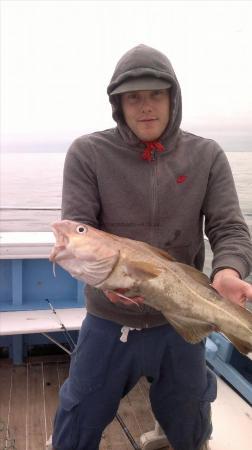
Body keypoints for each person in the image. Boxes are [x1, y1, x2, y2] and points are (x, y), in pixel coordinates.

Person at [52, 44, 252, 450]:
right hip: (109, 322)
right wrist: (105, 280)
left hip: (179, 323)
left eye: (155, 94)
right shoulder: (88, 153)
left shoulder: (207, 154)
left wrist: (228, 271)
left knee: (191, 419)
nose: (145, 107)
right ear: (118, 104)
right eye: (133, 97)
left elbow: (229, 228)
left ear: (173, 98)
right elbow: (81, 229)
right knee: (78, 418)